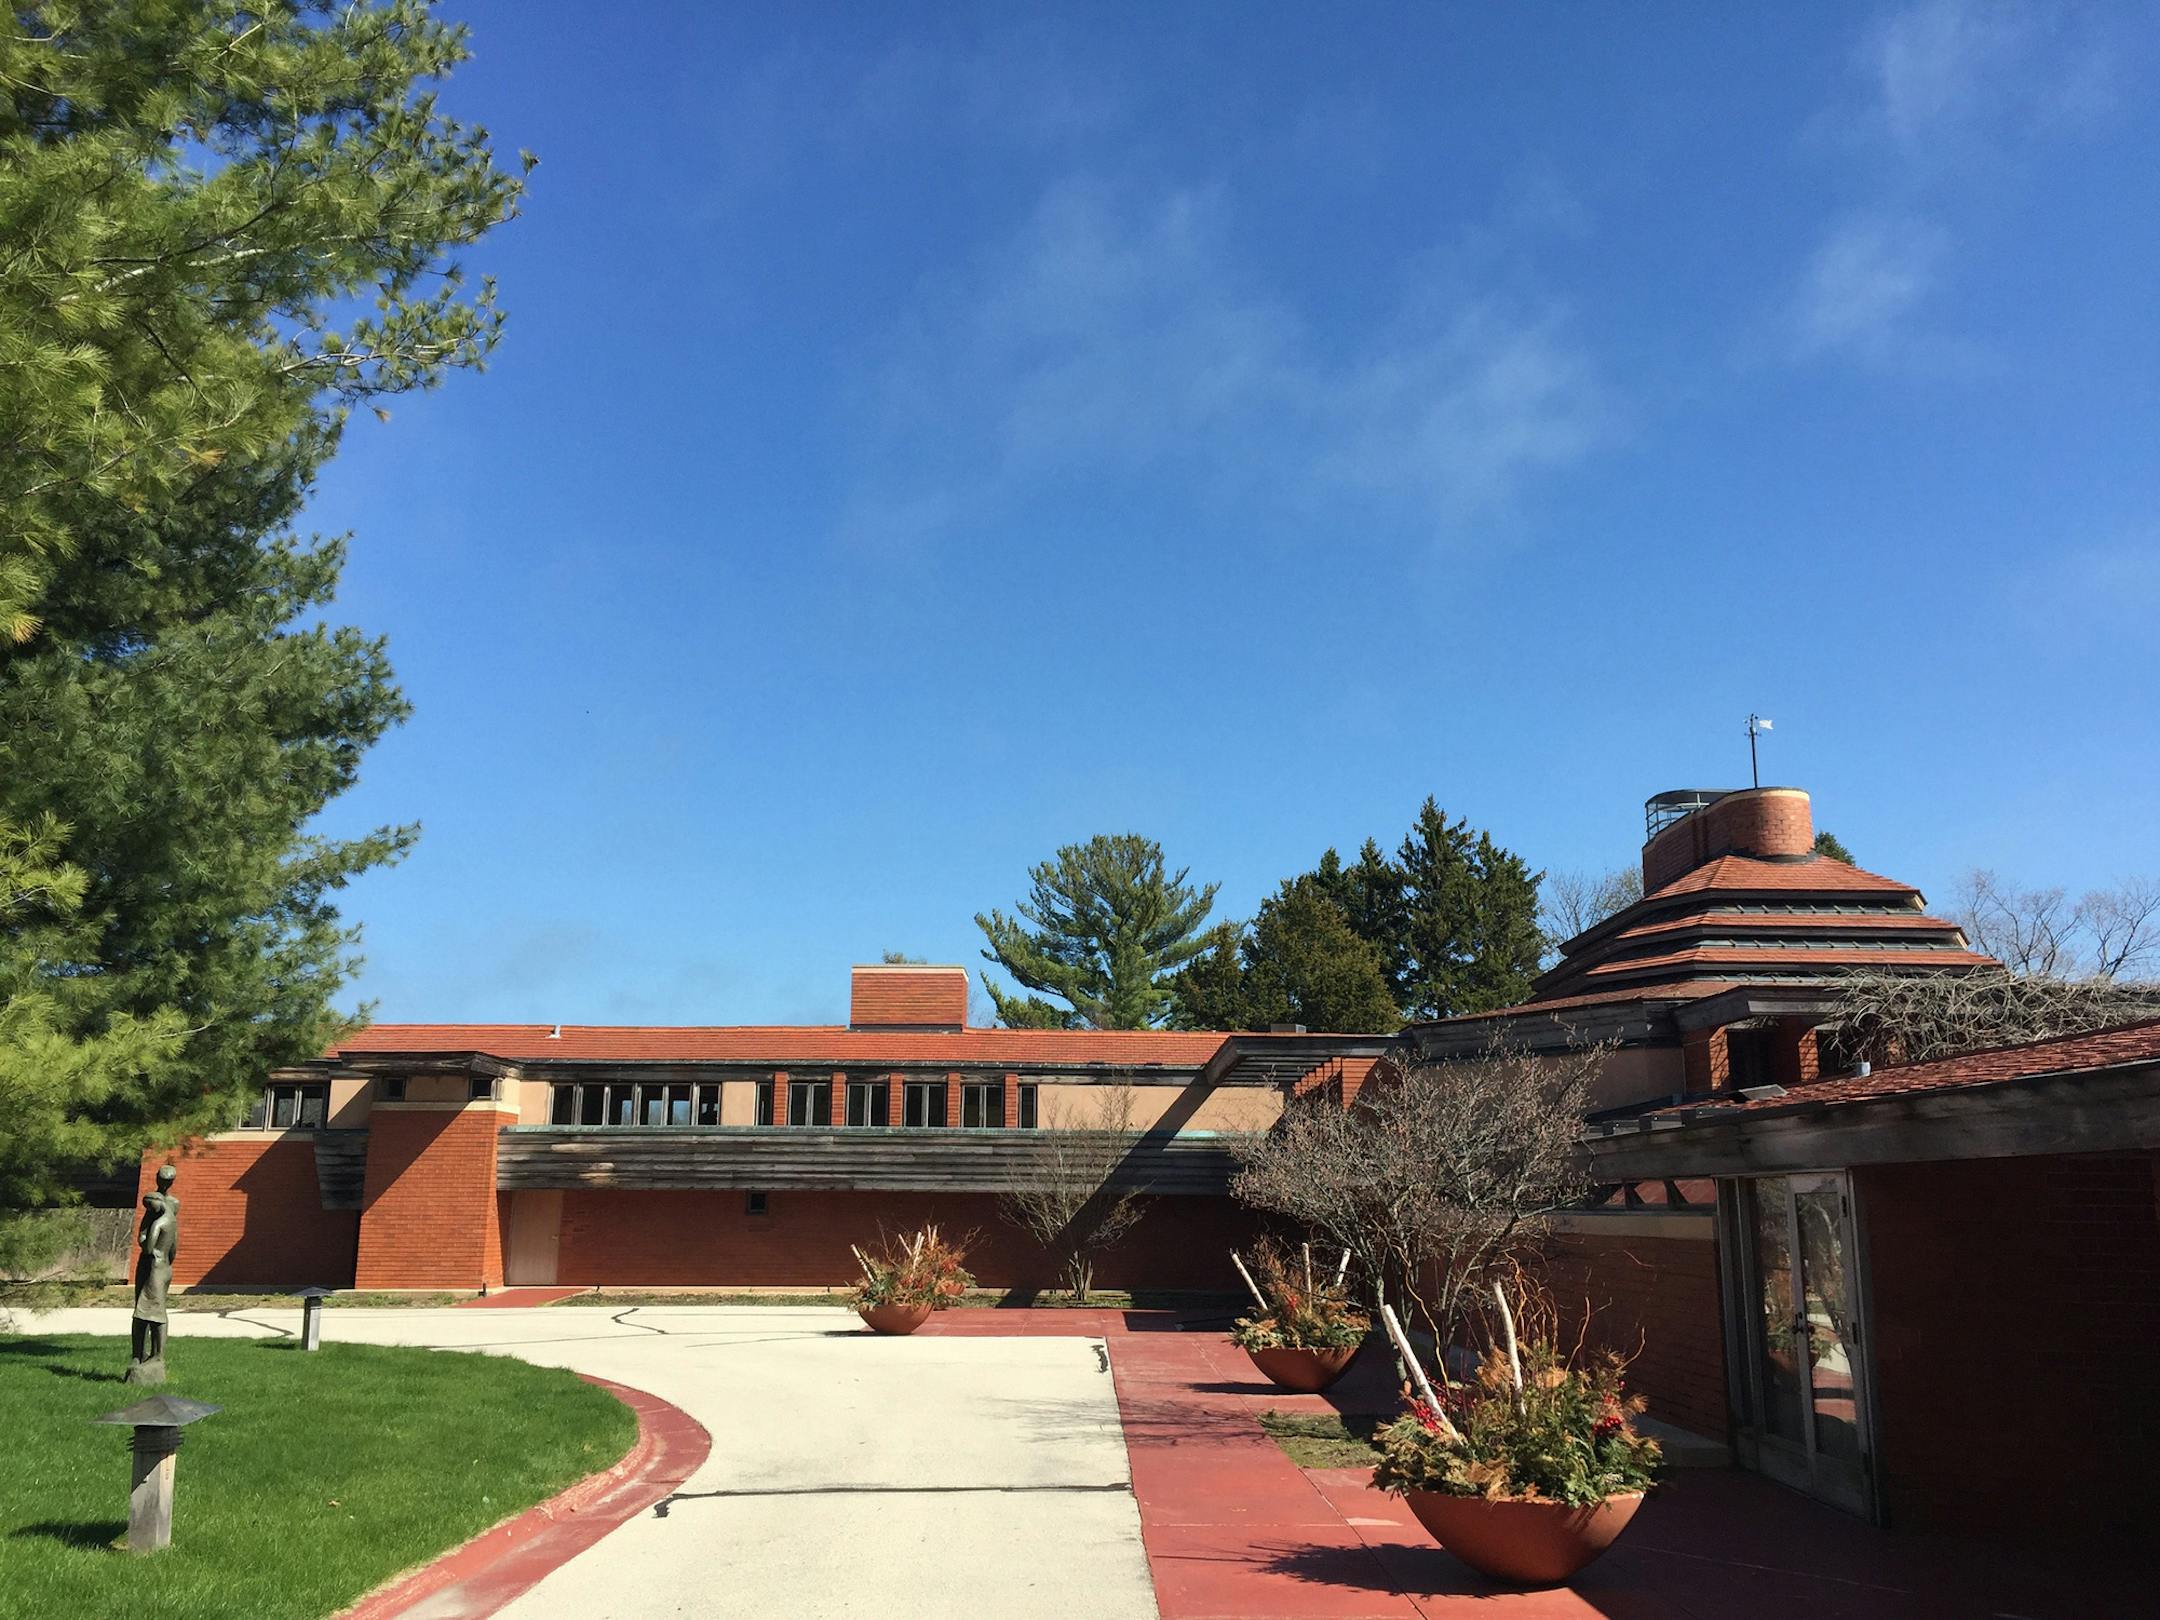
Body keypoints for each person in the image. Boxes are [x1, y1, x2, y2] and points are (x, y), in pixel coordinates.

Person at [125, 1164, 180, 1384]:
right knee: (148, 1312)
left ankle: (153, 1356)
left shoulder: (166, 1211)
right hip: (162, 1266)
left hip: (154, 1266)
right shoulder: (162, 1207)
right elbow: (173, 1245)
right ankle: (139, 1355)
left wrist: (155, 1251)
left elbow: (146, 1243)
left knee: (146, 1314)